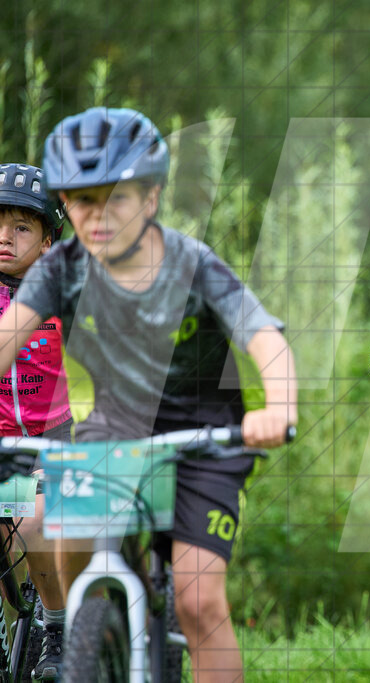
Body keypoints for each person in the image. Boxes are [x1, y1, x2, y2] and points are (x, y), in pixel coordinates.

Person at [0, 107, 297, 682]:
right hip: (118, 425)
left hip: (207, 433)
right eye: (82, 201)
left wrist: (279, 406)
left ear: (152, 198)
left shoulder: (190, 262)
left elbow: (264, 337)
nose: (97, 216)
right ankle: (82, 631)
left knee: (198, 602)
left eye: (117, 199)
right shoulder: (60, 270)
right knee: (57, 519)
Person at [0, 162, 73, 681]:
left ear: (48, 241)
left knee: (31, 519)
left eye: (21, 227)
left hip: (49, 438)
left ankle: (56, 623)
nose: (5, 238)